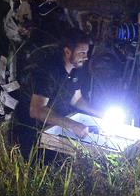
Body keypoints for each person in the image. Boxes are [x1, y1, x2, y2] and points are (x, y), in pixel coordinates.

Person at [12, 27, 100, 158]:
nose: (85, 57)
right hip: (34, 131)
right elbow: (36, 110)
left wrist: (100, 113)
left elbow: (76, 99)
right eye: (81, 52)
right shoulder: (49, 70)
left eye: (86, 52)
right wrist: (73, 125)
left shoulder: (77, 69)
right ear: (67, 51)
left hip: (57, 125)